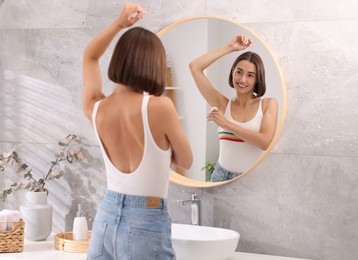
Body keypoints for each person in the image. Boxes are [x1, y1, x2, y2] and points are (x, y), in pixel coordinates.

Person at [82, 3, 192, 260]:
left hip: (105, 219)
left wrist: (119, 23)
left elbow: (90, 57)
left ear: (119, 58)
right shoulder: (160, 107)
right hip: (146, 221)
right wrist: (162, 152)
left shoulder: (95, 107)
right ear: (153, 66)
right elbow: (186, 161)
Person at [189, 35, 278, 182]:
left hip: (252, 180)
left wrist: (226, 124)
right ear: (232, 72)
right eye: (239, 72)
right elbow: (194, 67)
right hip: (220, 176)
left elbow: (265, 142)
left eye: (250, 75)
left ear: (257, 79)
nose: (242, 80)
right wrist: (230, 47)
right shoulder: (223, 104)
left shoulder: (268, 104)